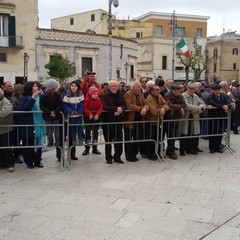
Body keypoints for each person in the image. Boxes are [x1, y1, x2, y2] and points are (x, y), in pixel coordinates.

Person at [18, 81, 45, 169]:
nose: (36, 87)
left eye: (37, 86)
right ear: (29, 88)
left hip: (39, 123)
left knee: (39, 143)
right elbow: (25, 108)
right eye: (34, 86)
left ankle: (37, 160)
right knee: (29, 143)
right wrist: (33, 97)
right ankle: (29, 161)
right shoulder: (24, 98)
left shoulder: (40, 97)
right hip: (29, 124)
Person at [101, 80, 126, 164]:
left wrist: (121, 109)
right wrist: (115, 109)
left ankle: (117, 156)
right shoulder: (105, 95)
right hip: (108, 122)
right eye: (112, 86)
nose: (114, 87)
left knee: (118, 141)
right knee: (108, 141)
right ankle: (108, 157)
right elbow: (104, 106)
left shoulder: (121, 95)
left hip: (118, 122)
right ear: (109, 87)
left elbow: (124, 105)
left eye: (116, 86)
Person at [124, 81, 149, 162]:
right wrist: (140, 109)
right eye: (138, 87)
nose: (140, 88)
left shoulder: (141, 94)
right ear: (133, 87)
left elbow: (146, 104)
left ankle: (134, 154)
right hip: (130, 120)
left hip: (139, 120)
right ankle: (128, 155)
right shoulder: (128, 94)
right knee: (128, 138)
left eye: (140, 87)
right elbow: (129, 105)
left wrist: (145, 108)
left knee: (137, 138)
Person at [180, 83, 205, 156]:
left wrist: (201, 107)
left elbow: (203, 103)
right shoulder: (183, 95)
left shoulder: (195, 96)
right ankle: (182, 150)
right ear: (187, 89)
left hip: (194, 117)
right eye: (190, 89)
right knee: (184, 134)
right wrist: (197, 108)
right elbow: (186, 105)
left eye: (193, 89)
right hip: (186, 117)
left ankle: (190, 149)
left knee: (193, 133)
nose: (192, 90)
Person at [145, 85, 169, 160]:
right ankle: (150, 154)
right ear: (152, 91)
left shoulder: (160, 96)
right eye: (157, 90)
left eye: (159, 89)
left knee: (159, 138)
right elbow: (153, 111)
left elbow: (166, 104)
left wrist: (163, 109)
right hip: (151, 121)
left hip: (159, 121)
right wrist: (160, 110)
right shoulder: (149, 98)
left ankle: (158, 152)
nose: (159, 91)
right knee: (151, 138)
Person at [62, 80, 84, 160]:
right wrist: (70, 111)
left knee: (79, 127)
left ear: (78, 87)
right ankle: (74, 139)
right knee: (72, 128)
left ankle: (80, 139)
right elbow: (65, 105)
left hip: (78, 115)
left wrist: (79, 111)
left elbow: (82, 103)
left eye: (75, 86)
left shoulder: (81, 94)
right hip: (71, 116)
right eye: (72, 86)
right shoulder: (67, 95)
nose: (73, 87)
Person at [164, 84, 186, 160]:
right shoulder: (167, 95)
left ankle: (169, 151)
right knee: (170, 136)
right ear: (173, 90)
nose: (179, 92)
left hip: (176, 118)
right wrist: (180, 107)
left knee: (173, 136)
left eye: (180, 90)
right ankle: (171, 153)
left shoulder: (180, 95)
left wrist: (180, 107)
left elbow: (184, 104)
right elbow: (169, 105)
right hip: (168, 119)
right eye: (178, 90)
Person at [207, 84, 232, 154]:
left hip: (222, 117)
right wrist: (223, 106)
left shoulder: (223, 96)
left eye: (219, 90)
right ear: (213, 90)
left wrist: (227, 106)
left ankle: (217, 147)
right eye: (216, 90)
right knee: (213, 132)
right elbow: (212, 103)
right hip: (213, 118)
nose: (218, 91)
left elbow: (229, 102)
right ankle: (212, 148)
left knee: (220, 132)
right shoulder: (210, 96)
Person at [40, 79, 61, 148]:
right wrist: (50, 112)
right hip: (47, 115)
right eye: (56, 87)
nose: (58, 88)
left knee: (56, 128)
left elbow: (59, 105)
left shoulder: (58, 95)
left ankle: (57, 141)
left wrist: (55, 112)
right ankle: (50, 141)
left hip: (56, 114)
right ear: (52, 88)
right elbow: (42, 106)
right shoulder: (43, 96)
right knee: (49, 129)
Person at [82, 86, 103, 155]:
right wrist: (89, 114)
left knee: (95, 133)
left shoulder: (98, 99)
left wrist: (97, 114)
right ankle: (87, 148)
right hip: (88, 118)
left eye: (97, 94)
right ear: (91, 94)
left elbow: (100, 107)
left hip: (95, 118)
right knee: (88, 133)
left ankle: (95, 147)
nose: (96, 95)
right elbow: (84, 108)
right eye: (94, 94)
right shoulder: (86, 99)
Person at [0, 88, 15, 172]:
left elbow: (5, 112)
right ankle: (2, 164)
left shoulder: (6, 102)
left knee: (7, 147)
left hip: (6, 129)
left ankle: (10, 164)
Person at [10, 84, 24, 164]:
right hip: (16, 123)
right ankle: (16, 156)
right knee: (16, 140)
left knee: (18, 139)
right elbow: (14, 111)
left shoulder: (19, 98)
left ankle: (17, 154)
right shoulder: (14, 99)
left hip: (19, 122)